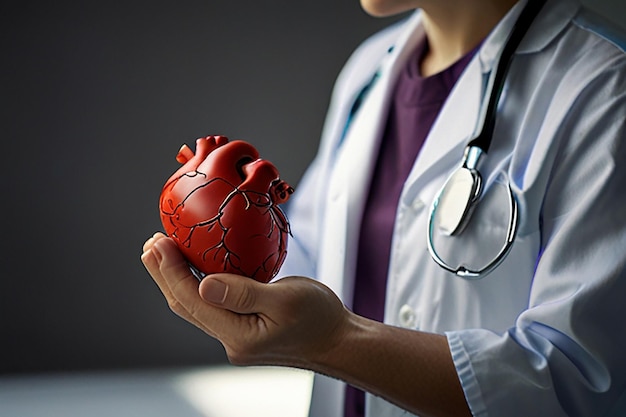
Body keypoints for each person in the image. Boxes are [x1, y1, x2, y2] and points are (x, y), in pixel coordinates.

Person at [141, 0, 626, 415]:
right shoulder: (370, 69)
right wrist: (220, 219)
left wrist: (335, 343)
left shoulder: (604, 88)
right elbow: (307, 254)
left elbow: (579, 386)